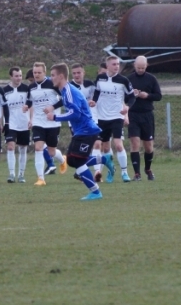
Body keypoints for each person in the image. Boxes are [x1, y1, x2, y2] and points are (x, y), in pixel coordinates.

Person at [45, 63, 115, 201]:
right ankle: (103, 159)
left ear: (60, 76)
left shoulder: (70, 92)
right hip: (81, 131)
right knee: (72, 160)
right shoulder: (65, 90)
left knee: (76, 161)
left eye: (53, 75)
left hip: (87, 130)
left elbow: (75, 114)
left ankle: (95, 192)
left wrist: (55, 116)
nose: (51, 78)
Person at [91, 55, 136, 183]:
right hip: (101, 117)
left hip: (116, 116)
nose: (117, 66)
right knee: (105, 147)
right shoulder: (100, 78)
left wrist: (127, 107)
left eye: (118, 64)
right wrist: (93, 101)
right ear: (107, 66)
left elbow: (132, 97)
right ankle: (110, 171)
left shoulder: (123, 80)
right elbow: (97, 93)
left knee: (118, 145)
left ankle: (124, 173)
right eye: (114, 64)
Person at [24, 62, 67, 186]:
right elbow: (29, 100)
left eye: (39, 72)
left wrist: (52, 107)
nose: (36, 75)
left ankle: (62, 159)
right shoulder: (31, 87)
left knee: (51, 152)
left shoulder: (52, 84)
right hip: (38, 121)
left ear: (44, 73)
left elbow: (64, 99)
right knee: (38, 148)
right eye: (35, 72)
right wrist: (26, 106)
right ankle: (41, 179)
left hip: (52, 122)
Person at [126, 56, 162, 181]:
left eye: (143, 67)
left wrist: (147, 95)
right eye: (138, 67)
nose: (140, 70)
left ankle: (148, 169)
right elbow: (124, 97)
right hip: (133, 114)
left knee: (148, 147)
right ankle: (137, 174)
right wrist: (132, 94)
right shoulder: (129, 79)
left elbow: (158, 96)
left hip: (147, 115)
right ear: (134, 65)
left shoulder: (151, 79)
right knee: (135, 143)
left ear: (146, 66)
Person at [70, 63, 103, 181]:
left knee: (97, 144)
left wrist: (94, 100)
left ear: (83, 73)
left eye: (78, 73)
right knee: (82, 149)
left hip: (91, 120)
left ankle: (97, 172)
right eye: (74, 73)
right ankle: (80, 171)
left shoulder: (90, 85)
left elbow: (98, 93)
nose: (76, 75)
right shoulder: (69, 87)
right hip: (77, 123)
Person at [3, 66, 31, 183]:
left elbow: (31, 104)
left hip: (24, 122)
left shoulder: (27, 89)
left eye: (20, 75)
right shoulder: (4, 90)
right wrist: (2, 122)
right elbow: (2, 108)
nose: (19, 78)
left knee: (23, 148)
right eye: (16, 76)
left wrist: (31, 119)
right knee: (10, 147)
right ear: (11, 77)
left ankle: (21, 174)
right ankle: (11, 174)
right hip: (10, 123)